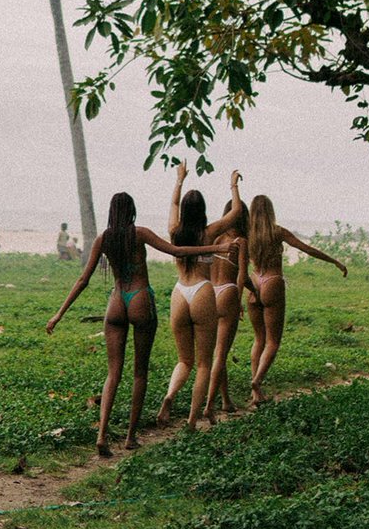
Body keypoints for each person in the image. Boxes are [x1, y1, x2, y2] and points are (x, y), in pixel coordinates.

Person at [46, 192, 207, 457]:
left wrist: (58, 314)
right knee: (139, 373)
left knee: (113, 374)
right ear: (132, 210)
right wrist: (216, 249)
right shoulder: (139, 233)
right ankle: (131, 437)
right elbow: (176, 251)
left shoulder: (104, 239)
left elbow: (82, 280)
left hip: (117, 301)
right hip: (140, 298)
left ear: (111, 212)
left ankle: (101, 435)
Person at [157, 162, 244, 430]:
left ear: (185, 211)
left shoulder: (175, 230)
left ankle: (169, 396)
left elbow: (173, 205)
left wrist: (179, 180)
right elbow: (237, 213)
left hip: (180, 292)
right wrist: (233, 185)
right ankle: (193, 420)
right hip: (202, 291)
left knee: (184, 360)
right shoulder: (208, 232)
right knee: (204, 363)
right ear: (203, 211)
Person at [246, 194, 347, 406]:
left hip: (254, 282)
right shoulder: (277, 232)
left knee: (259, 339)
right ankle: (257, 381)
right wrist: (334, 261)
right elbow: (307, 249)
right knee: (273, 341)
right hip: (273, 282)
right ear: (271, 211)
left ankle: (256, 393)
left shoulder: (248, 234)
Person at [204, 186, 249, 417]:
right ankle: (209, 406)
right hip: (229, 291)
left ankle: (225, 399)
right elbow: (242, 274)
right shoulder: (241, 241)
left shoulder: (215, 237)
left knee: (215, 351)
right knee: (221, 354)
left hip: (211, 292)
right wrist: (240, 298)